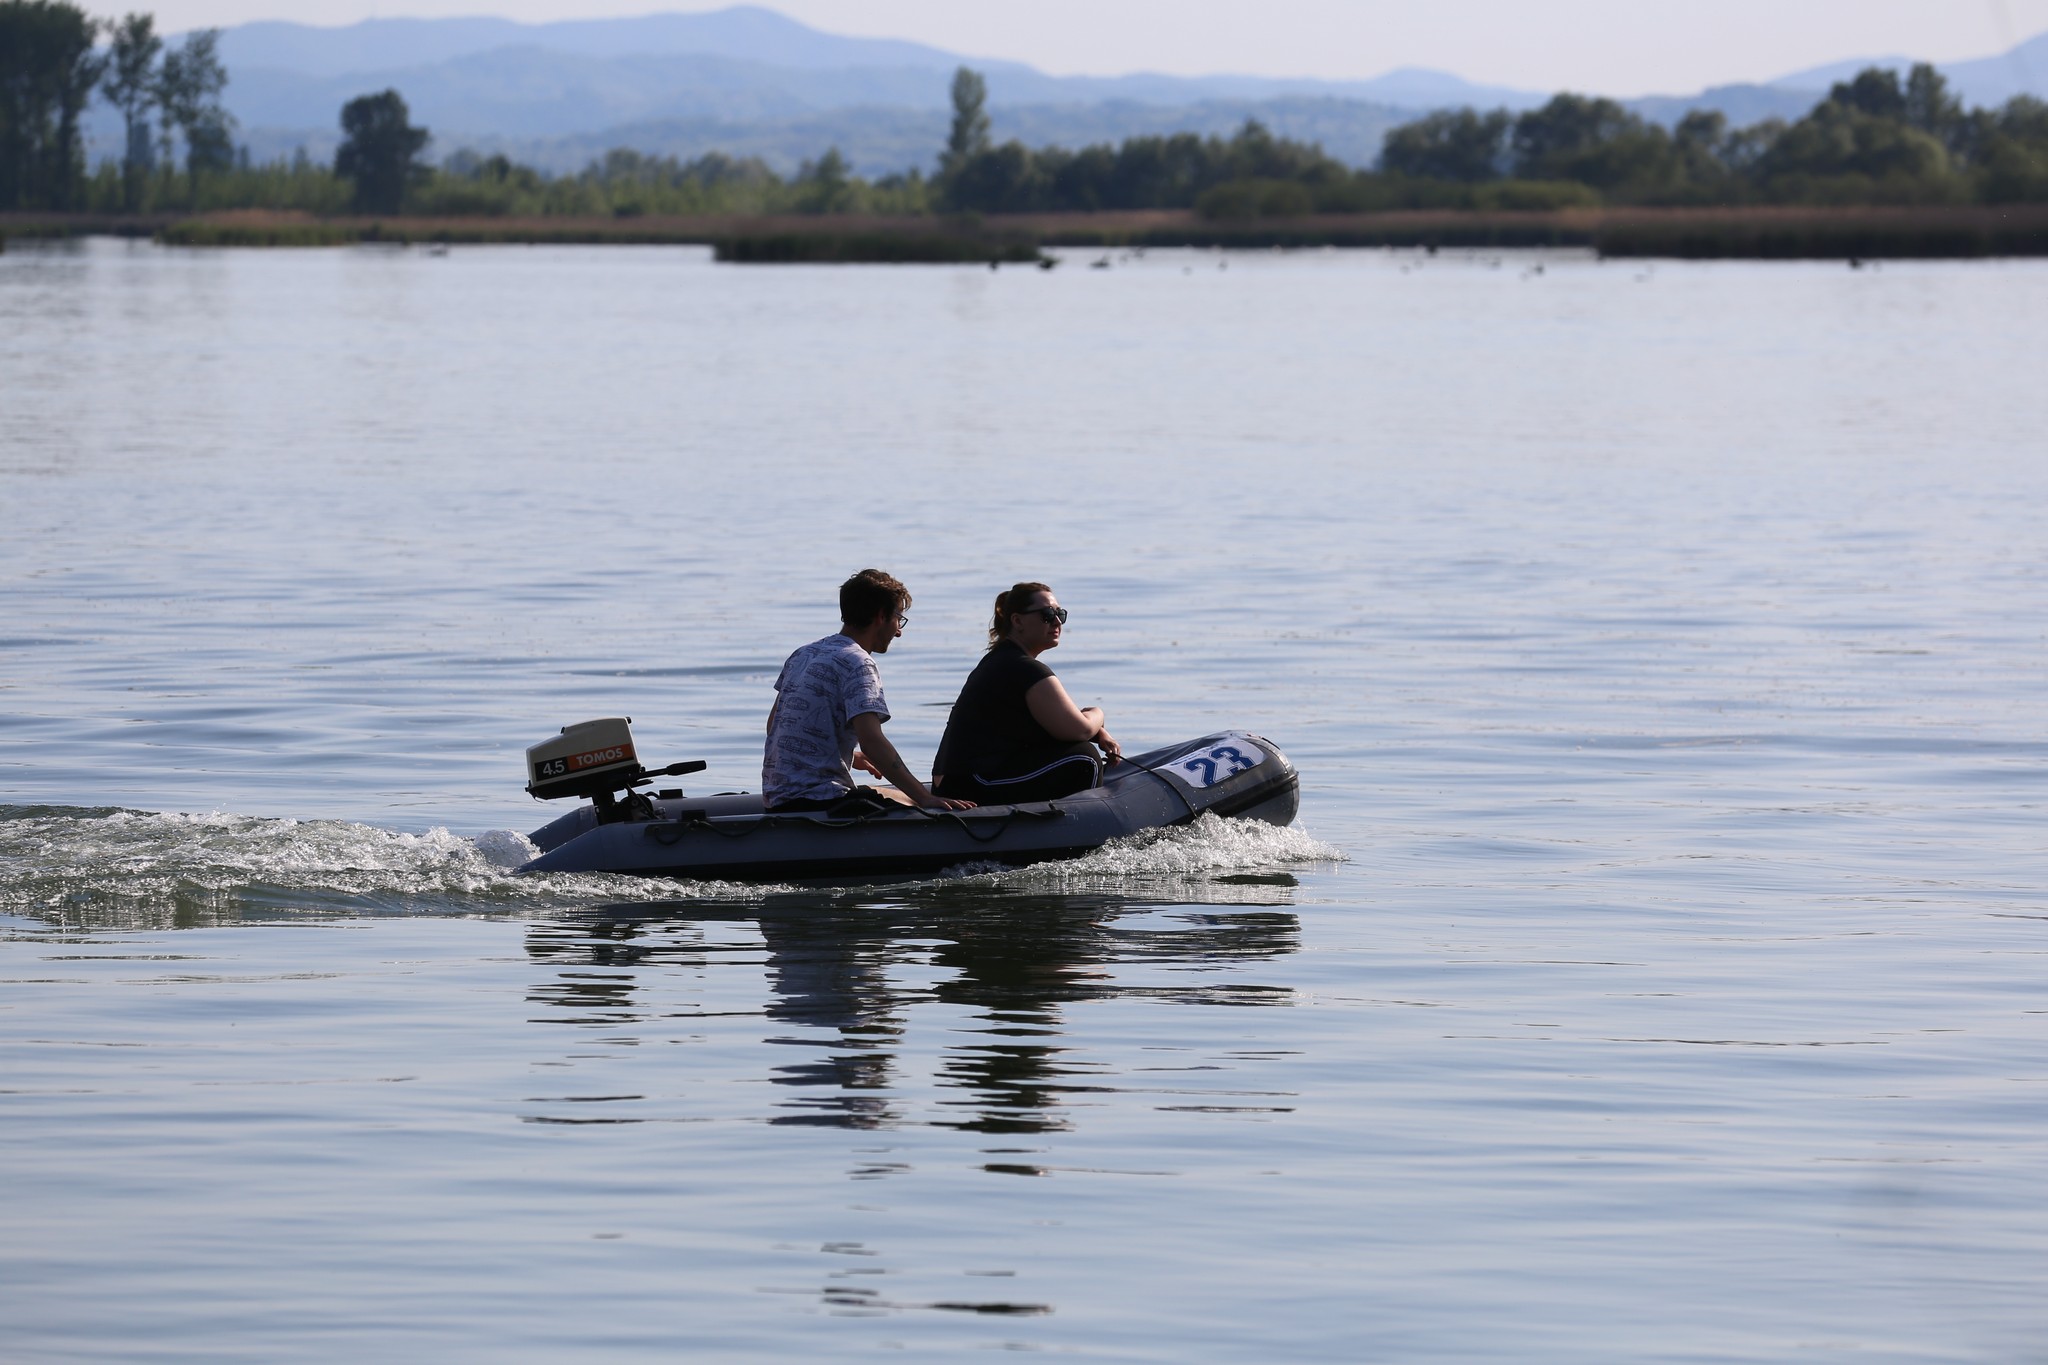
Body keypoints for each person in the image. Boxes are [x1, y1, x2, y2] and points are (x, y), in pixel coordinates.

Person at [763, 569, 975, 814]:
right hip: (821, 801)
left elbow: (774, 726)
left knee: (894, 795)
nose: (899, 631)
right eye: (898, 618)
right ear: (881, 616)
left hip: (778, 800)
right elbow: (872, 741)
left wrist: (846, 755)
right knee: (915, 804)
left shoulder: (803, 654)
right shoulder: (858, 663)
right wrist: (925, 797)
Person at [931, 582, 1121, 805]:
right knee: (1084, 758)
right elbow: (1080, 729)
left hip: (959, 781)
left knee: (1076, 750)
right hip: (973, 784)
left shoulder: (1003, 660)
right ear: (1017, 620)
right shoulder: (1022, 668)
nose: (1057, 621)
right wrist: (1098, 714)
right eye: (1047, 614)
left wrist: (1096, 731)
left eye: (1060, 613)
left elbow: (1059, 725)